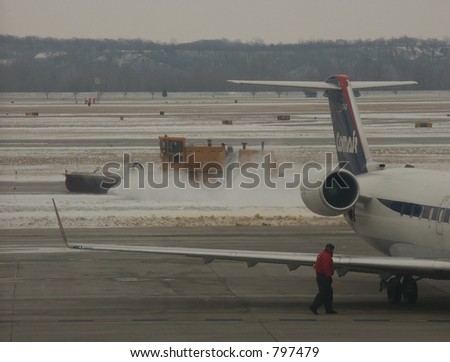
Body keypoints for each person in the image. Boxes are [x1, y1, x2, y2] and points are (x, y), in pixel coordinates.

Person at [309, 243, 337, 314]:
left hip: (321, 276)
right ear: (330, 249)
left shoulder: (322, 254)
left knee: (328, 293)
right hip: (324, 277)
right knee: (323, 293)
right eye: (333, 250)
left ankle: (329, 309)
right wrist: (328, 276)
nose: (333, 251)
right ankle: (313, 307)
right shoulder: (326, 256)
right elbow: (325, 267)